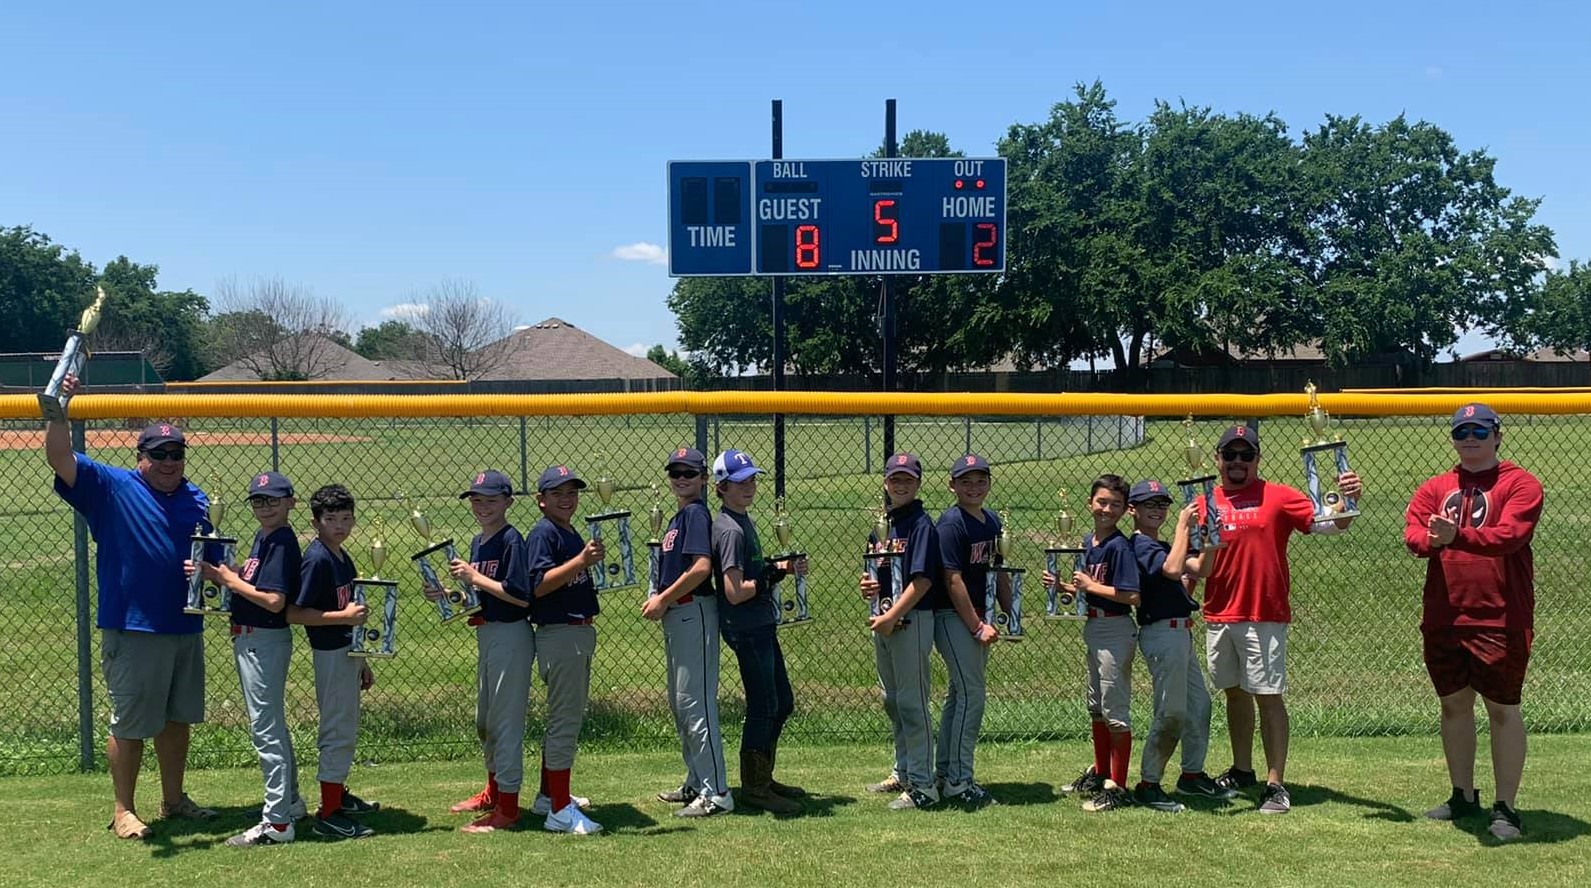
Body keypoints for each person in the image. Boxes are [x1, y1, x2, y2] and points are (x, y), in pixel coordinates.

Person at [47, 373, 216, 840]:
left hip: (185, 627)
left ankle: (174, 799)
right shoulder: (112, 486)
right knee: (133, 723)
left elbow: (212, 559)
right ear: (139, 457)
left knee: (177, 718)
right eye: (158, 454)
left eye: (176, 454)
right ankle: (124, 810)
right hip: (134, 627)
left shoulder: (198, 498)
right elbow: (60, 457)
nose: (168, 461)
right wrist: (60, 405)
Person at [1199, 424, 1360, 815]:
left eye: (1246, 454)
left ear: (1258, 459)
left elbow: (1331, 524)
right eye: (1230, 454)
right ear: (1217, 458)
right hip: (1219, 611)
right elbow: (1192, 558)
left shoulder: (1279, 496)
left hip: (1263, 613)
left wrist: (1348, 501)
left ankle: (1275, 783)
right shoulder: (1204, 501)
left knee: (1268, 695)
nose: (1238, 462)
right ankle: (1241, 769)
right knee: (1234, 693)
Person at [1404, 404, 1542, 841]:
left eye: (1479, 431)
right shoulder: (1435, 487)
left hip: (1499, 616)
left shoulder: (1520, 483)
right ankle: (1462, 794)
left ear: (1497, 436)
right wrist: (1427, 540)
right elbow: (1412, 532)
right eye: (1462, 431)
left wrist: (1455, 536)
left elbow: (1511, 536)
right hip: (1445, 615)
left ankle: (1506, 807)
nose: (1470, 438)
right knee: (1453, 705)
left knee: (1502, 709)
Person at [192, 471, 304, 846]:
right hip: (254, 640)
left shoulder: (283, 541)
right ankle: (289, 803)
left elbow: (274, 601)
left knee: (266, 730)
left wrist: (228, 579)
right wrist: (213, 572)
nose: (265, 507)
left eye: (273, 500)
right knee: (273, 725)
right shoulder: (265, 537)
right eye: (258, 501)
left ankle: (277, 824)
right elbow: (252, 582)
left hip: (263, 641)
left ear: (290, 502)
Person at [432, 470, 535, 834]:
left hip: (511, 635)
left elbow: (520, 594)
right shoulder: (478, 541)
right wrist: (449, 596)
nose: (482, 506)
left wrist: (474, 577)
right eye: (476, 499)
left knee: (505, 724)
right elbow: (480, 598)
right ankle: (493, 792)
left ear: (508, 502)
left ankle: (508, 807)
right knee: (486, 721)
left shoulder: (512, 540)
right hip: (488, 634)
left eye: (491, 500)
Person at [1122, 479, 1233, 812]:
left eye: (1162, 505)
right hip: (1161, 633)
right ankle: (1148, 783)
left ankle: (1191, 776)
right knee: (1172, 711)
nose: (1157, 510)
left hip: (1180, 633)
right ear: (1133, 510)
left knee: (1199, 707)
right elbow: (1172, 569)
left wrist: (1211, 538)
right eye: (1148, 504)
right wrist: (1186, 525)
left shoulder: (1164, 544)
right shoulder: (1139, 545)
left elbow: (1201, 569)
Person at [711, 449, 806, 815]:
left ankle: (763, 775)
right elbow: (734, 592)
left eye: (752, 479)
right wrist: (768, 577)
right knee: (765, 705)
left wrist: (776, 568)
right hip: (746, 626)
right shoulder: (730, 530)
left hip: (759, 623)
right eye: (741, 481)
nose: (750, 486)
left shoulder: (741, 519)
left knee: (782, 702)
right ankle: (755, 787)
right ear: (722, 487)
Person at [288, 483, 379, 840]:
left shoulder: (340, 554)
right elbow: (295, 613)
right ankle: (328, 813)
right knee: (337, 729)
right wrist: (341, 617)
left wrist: (363, 659)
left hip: (347, 651)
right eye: (330, 519)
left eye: (345, 518)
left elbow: (350, 615)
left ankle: (337, 793)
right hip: (329, 653)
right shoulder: (317, 558)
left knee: (346, 726)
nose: (339, 525)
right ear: (316, 522)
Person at [647, 447, 733, 817]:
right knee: (682, 705)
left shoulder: (696, 514)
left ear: (703, 479)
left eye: (689, 473)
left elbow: (701, 568)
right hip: (679, 615)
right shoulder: (678, 517)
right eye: (676, 473)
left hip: (692, 611)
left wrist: (663, 598)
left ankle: (717, 793)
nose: (681, 479)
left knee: (695, 704)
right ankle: (698, 781)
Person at [1047, 474, 1140, 813]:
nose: (1107, 509)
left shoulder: (1119, 546)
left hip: (1115, 630)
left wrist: (1087, 586)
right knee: (1096, 707)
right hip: (1095, 628)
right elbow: (1089, 592)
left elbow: (1131, 595)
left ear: (1125, 509)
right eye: (1101, 502)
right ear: (1090, 503)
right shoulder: (1089, 541)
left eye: (1115, 504)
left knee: (1115, 712)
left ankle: (1118, 786)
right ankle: (1101, 774)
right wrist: (1063, 587)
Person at [859, 452, 943, 811]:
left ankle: (924, 784)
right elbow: (877, 573)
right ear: (885, 482)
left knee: (912, 701)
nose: (901, 484)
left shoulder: (921, 524)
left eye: (908, 479)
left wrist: (893, 613)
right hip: (886, 620)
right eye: (895, 478)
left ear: (918, 483)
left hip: (913, 619)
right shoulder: (883, 524)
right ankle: (904, 769)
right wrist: (868, 587)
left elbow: (922, 581)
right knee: (892, 700)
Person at [525, 465, 605, 836]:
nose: (566, 498)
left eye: (571, 492)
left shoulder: (567, 530)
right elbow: (538, 586)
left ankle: (548, 795)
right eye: (557, 493)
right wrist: (581, 562)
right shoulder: (544, 532)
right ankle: (558, 810)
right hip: (560, 633)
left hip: (575, 631)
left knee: (564, 718)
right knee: (564, 722)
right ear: (541, 500)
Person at [932, 454, 1006, 808]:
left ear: (989, 484)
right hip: (954, 618)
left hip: (980, 618)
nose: (973, 487)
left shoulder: (991, 521)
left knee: (958, 695)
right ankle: (960, 781)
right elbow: (952, 578)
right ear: (952, 485)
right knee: (972, 696)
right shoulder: (951, 523)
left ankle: (946, 771)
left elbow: (999, 569)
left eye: (980, 481)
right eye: (965, 481)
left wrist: (1010, 611)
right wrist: (976, 627)